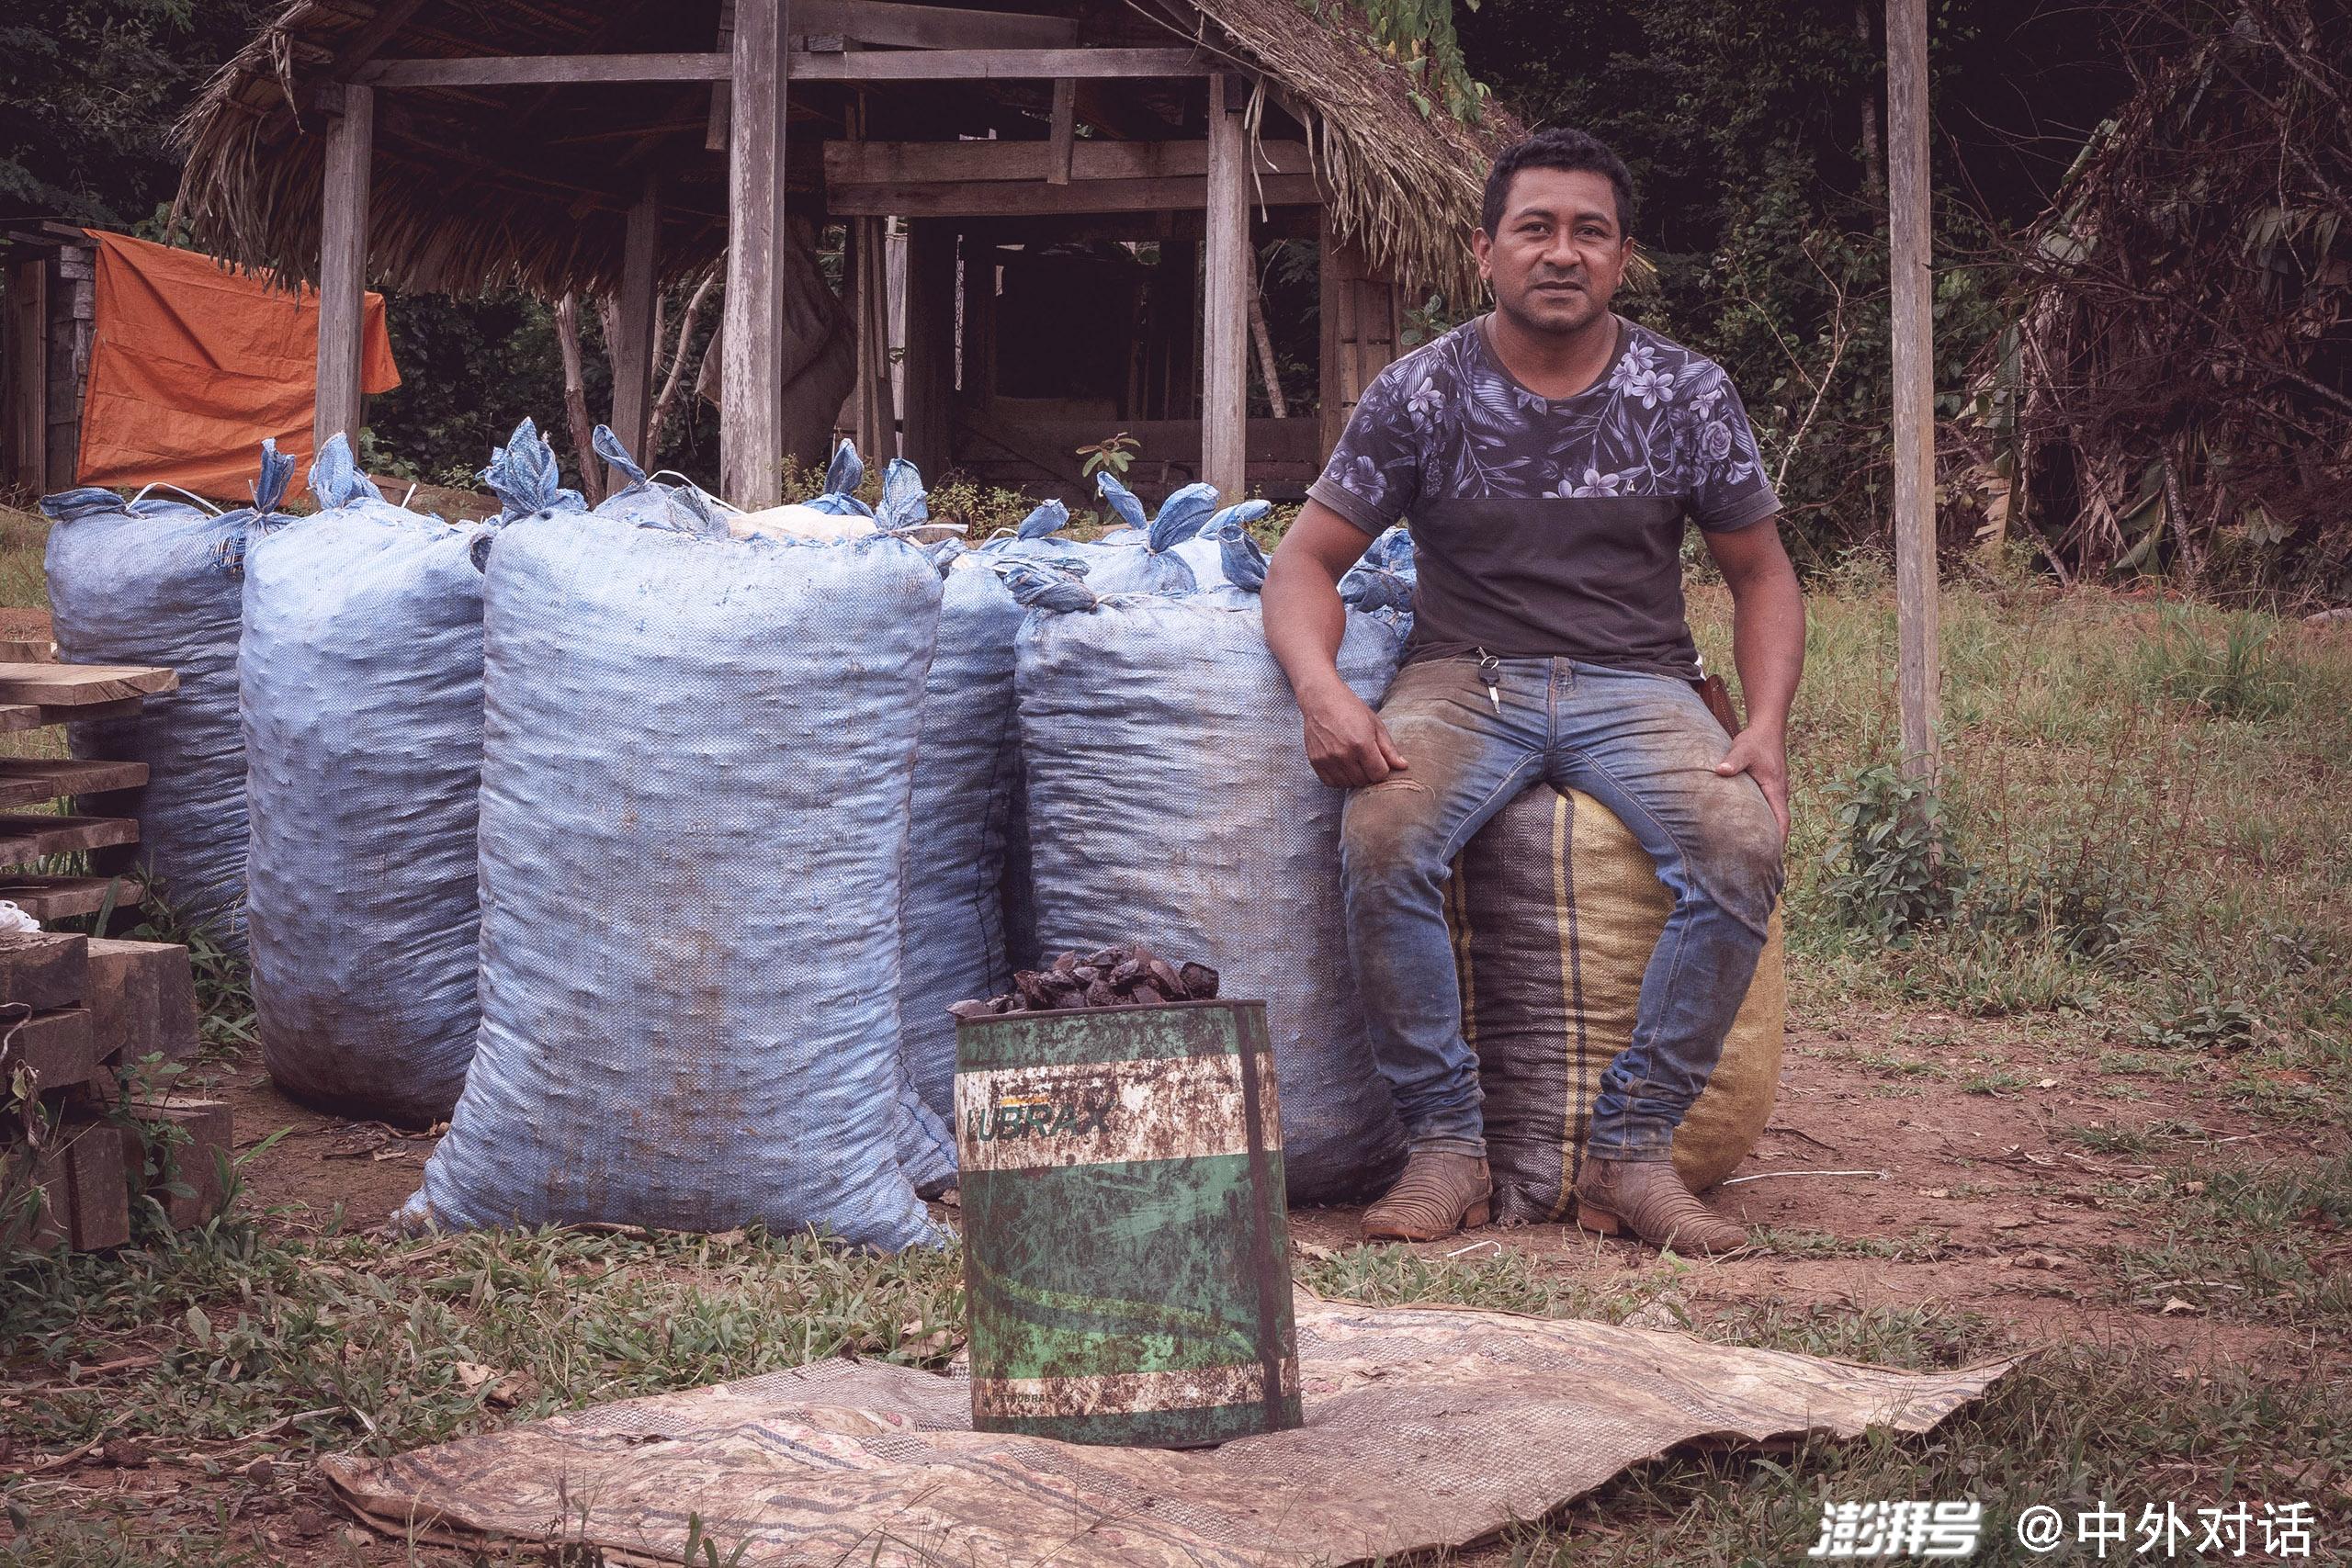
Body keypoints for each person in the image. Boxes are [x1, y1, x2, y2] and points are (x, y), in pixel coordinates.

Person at [1261, 127, 1804, 1254]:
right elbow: (1304, 562)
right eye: (1535, 229)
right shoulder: (1421, 392)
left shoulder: (1684, 391)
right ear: (1485, 252)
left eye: (1589, 232)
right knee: (1383, 837)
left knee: (1740, 843)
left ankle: (1632, 1153)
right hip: (1466, 681)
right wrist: (1321, 691)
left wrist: (1763, 728)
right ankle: (1445, 1149)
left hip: (1640, 682)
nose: (1562, 252)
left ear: (1622, 258)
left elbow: (1760, 574)